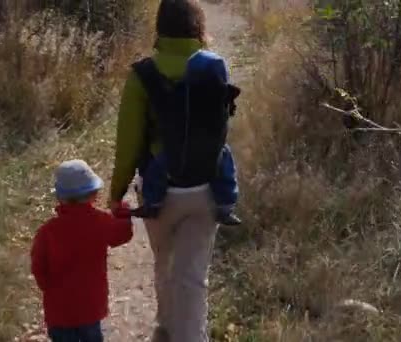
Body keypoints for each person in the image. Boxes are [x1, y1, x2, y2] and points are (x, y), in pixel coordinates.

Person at [109, 1, 238, 341]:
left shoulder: (142, 76)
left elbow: (128, 146)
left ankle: (166, 330)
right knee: (193, 276)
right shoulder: (214, 69)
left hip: (159, 191)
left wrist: (116, 193)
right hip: (207, 188)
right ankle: (191, 335)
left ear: (160, 28)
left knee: (164, 263)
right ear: (199, 27)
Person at [132, 50, 241, 226]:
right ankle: (226, 206)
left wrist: (146, 68)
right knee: (226, 162)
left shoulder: (181, 94)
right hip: (209, 159)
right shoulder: (223, 97)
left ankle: (153, 204)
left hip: (178, 157)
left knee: (155, 168)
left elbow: (158, 92)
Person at [31, 160, 133, 342]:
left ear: (59, 196)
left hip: (59, 311)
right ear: (93, 194)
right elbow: (122, 235)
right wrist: (123, 212)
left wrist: (50, 288)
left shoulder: (47, 231)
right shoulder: (100, 221)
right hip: (90, 308)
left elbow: (39, 267)